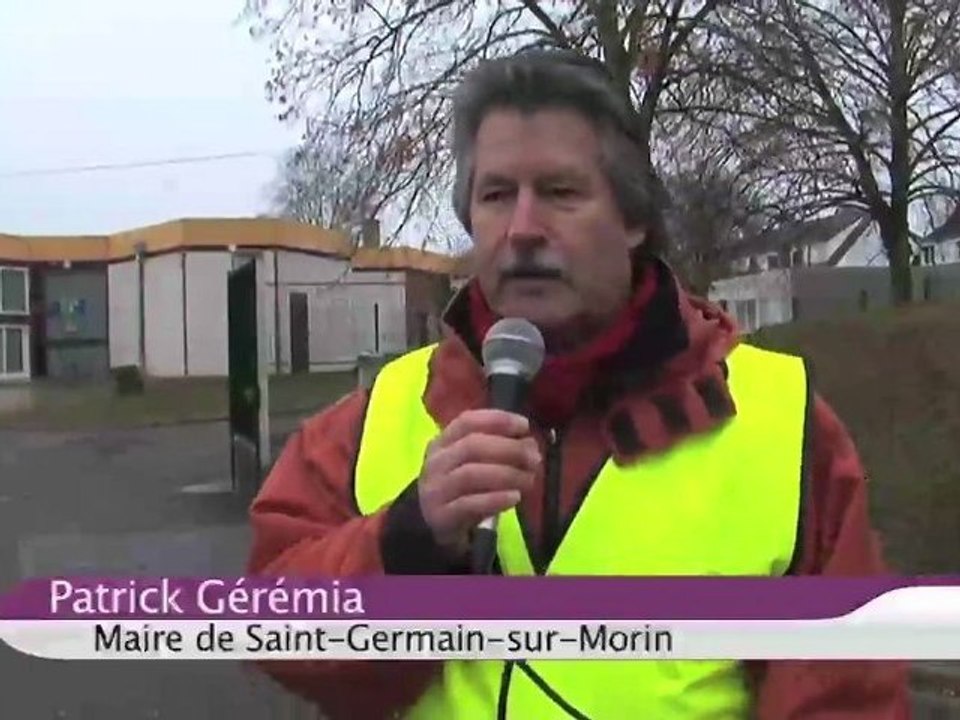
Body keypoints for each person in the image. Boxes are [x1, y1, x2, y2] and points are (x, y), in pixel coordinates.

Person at [247, 49, 911, 719]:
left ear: (633, 219)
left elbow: (847, 697)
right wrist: (405, 542)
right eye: (497, 195)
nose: (524, 229)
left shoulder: (779, 426)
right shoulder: (381, 415)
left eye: (561, 193)